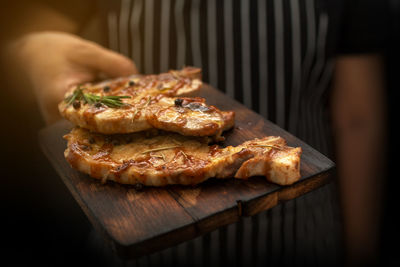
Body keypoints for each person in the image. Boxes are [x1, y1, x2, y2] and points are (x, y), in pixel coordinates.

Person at [0, 0, 388, 266]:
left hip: (298, 231)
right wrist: (33, 49)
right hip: (140, 235)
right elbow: (33, 18)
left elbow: (357, 117)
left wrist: (360, 251)